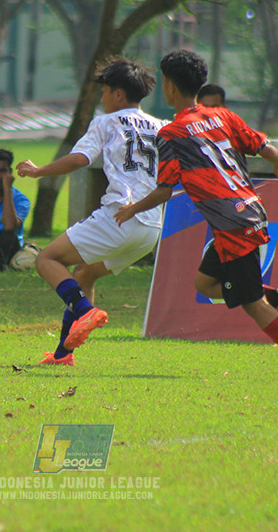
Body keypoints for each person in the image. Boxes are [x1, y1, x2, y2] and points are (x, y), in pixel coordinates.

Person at [116, 49, 278, 382]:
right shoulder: (221, 115)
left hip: (233, 226)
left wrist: (131, 209)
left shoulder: (171, 135)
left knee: (252, 304)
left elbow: (164, 189)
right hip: (250, 211)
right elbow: (261, 145)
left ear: (169, 87)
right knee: (205, 283)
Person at [16, 58, 166, 366]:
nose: (102, 98)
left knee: (46, 259)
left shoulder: (105, 122)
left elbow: (78, 160)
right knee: (84, 273)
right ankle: (63, 354)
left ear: (118, 94)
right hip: (151, 228)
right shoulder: (161, 126)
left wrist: (39, 170)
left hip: (118, 217)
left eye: (105, 92)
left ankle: (85, 311)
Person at [194, 84, 278, 331]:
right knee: (204, 283)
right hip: (225, 224)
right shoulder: (191, 135)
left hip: (239, 220)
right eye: (204, 107)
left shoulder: (227, 127)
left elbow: (261, 145)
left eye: (215, 106)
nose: (210, 112)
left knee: (251, 300)